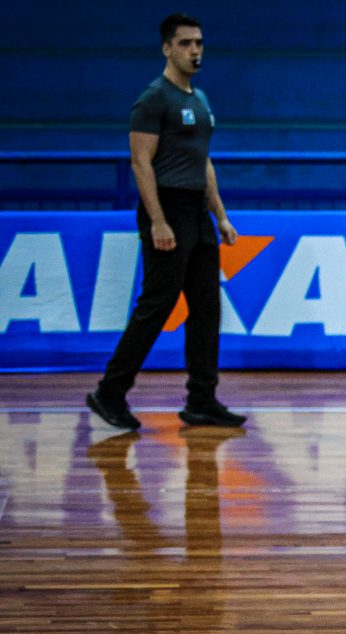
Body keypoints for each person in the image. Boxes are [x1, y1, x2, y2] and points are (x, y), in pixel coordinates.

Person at [86, 12, 245, 431]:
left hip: (197, 211)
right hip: (168, 208)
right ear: (167, 48)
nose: (195, 50)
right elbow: (141, 162)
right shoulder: (154, 99)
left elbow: (203, 161)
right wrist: (157, 220)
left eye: (199, 43)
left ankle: (202, 400)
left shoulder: (200, 100)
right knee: (157, 306)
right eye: (186, 43)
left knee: (207, 308)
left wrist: (220, 216)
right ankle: (110, 392)